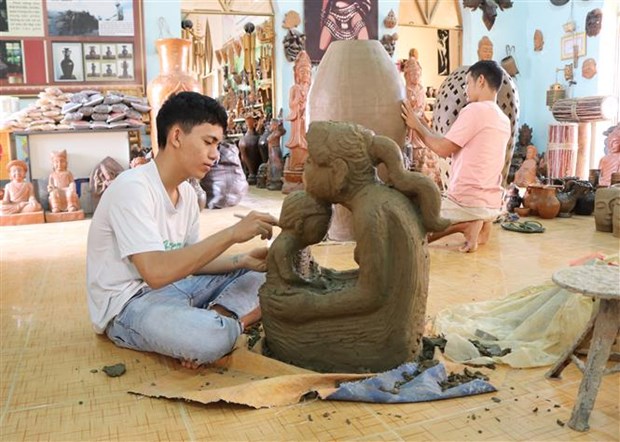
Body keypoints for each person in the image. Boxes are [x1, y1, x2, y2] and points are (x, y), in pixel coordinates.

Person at [86, 92, 278, 369]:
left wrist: (242, 260)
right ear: (176, 136)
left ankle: (218, 318)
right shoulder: (132, 188)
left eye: (218, 145)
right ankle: (223, 327)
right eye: (208, 142)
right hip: (129, 305)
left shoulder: (186, 193)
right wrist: (233, 233)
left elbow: (191, 260)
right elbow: (155, 274)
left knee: (267, 275)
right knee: (207, 338)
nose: (215, 155)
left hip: (176, 287)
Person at [401, 60, 511, 252]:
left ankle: (466, 224)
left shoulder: (474, 110)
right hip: (492, 202)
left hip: (466, 200)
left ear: (481, 81)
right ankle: (480, 224)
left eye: (467, 83)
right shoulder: (503, 119)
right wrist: (419, 122)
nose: (465, 89)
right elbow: (445, 141)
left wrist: (415, 126)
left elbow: (442, 149)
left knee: (411, 233)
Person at [266, 191, 331, 288]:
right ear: (299, 225)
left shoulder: (303, 244)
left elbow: (311, 264)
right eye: (322, 226)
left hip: (301, 282)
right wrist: (311, 283)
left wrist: (320, 271)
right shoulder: (284, 246)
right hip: (283, 289)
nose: (325, 233)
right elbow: (288, 276)